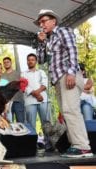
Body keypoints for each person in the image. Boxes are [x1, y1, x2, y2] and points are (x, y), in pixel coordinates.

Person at [35, 9, 93, 158]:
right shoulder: (48, 40)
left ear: (53, 20)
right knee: (66, 113)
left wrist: (71, 72)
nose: (41, 24)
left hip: (68, 75)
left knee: (71, 110)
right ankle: (76, 145)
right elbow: (40, 60)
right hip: (58, 80)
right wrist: (41, 43)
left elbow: (72, 50)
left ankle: (83, 147)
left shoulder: (63, 31)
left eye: (44, 21)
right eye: (40, 22)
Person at [21, 53, 51, 132]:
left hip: (43, 100)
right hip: (29, 102)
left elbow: (45, 84)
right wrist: (37, 95)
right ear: (27, 62)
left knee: (46, 123)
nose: (30, 61)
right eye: (29, 60)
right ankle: (33, 144)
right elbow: (24, 86)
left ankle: (48, 142)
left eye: (32, 60)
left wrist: (37, 93)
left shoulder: (41, 72)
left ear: (36, 61)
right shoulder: (23, 74)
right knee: (30, 125)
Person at [2, 57, 25, 123]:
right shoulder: (2, 76)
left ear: (11, 63)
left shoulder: (18, 73)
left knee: (21, 122)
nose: (6, 63)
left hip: (18, 101)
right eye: (4, 62)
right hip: (7, 102)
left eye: (8, 62)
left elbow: (24, 85)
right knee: (8, 122)